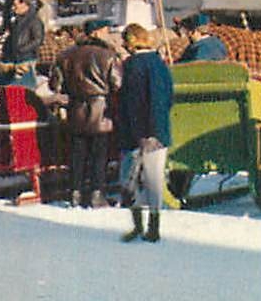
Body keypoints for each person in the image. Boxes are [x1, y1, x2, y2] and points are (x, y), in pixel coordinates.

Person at [54, 20, 123, 208]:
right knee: (99, 155)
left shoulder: (65, 55)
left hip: (76, 108)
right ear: (98, 32)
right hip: (101, 109)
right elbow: (117, 84)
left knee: (77, 154)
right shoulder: (108, 56)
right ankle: (97, 193)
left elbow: (55, 86)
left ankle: (75, 192)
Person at [115, 24, 173, 243]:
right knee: (153, 180)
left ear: (131, 41)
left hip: (135, 132)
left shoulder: (133, 65)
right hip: (155, 131)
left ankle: (139, 225)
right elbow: (164, 98)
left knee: (130, 180)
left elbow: (133, 102)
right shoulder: (158, 63)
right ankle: (153, 225)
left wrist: (141, 132)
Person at [1, 0, 45, 69]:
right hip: (14, 57)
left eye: (15, 5)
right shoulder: (16, 20)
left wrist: (22, 49)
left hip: (27, 58)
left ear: (25, 4)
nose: (13, 8)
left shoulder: (34, 20)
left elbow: (38, 39)